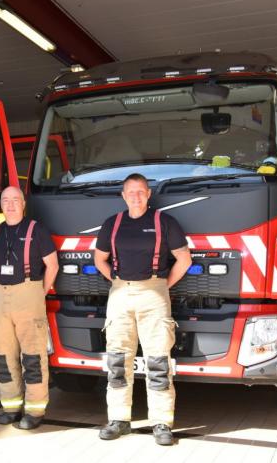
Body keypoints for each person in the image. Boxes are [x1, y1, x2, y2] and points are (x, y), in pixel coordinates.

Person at [94, 173, 191, 446]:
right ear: (123, 196)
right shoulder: (112, 224)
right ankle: (119, 419)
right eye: (130, 192)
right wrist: (114, 280)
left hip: (154, 295)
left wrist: (162, 285)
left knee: (158, 362)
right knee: (117, 361)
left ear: (148, 194)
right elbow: (99, 258)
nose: (135, 196)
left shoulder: (164, 223)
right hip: (120, 295)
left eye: (140, 191)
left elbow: (184, 259)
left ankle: (161, 423)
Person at [0, 186, 59, 430]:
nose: (10, 204)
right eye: (5, 200)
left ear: (23, 203)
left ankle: (35, 410)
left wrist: (39, 293)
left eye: (15, 200)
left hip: (29, 293)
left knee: (33, 357)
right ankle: (10, 407)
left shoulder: (37, 230)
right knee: (3, 357)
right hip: (0, 296)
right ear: (1, 204)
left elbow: (52, 266)